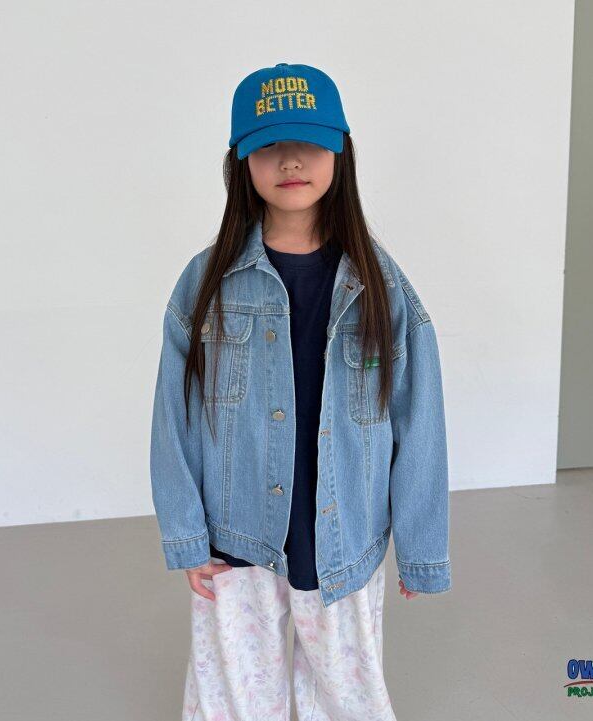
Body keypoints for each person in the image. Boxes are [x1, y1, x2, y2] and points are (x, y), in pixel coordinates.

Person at [150, 61, 452, 721]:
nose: (291, 161)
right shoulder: (204, 283)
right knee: (234, 697)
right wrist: (187, 534)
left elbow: (418, 417)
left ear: (340, 152)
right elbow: (173, 416)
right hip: (236, 534)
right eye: (270, 146)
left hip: (343, 538)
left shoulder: (382, 285)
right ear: (242, 161)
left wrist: (420, 547)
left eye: (309, 143)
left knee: (348, 697)